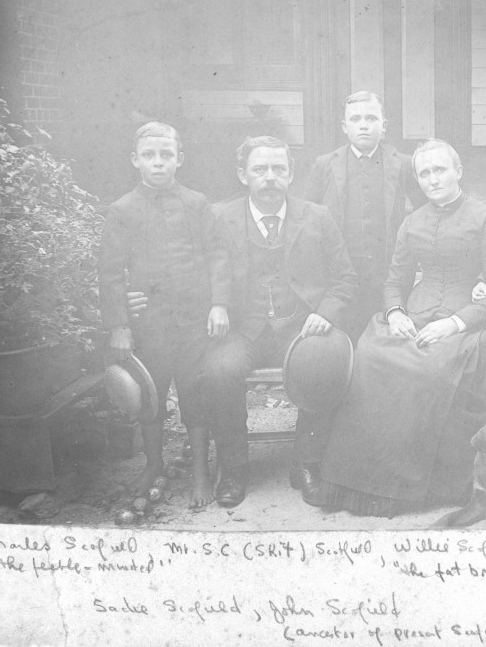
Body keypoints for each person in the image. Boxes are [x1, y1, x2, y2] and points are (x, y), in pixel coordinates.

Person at [311, 139, 486, 516]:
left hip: (467, 320)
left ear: (458, 172)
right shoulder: (413, 221)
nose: (433, 179)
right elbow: (395, 280)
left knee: (432, 368)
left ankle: (411, 485)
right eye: (424, 172)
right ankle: (362, 481)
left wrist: (453, 324)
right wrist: (395, 312)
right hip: (417, 315)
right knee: (370, 357)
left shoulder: (485, 217)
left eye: (440, 170)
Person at [201, 135, 357, 507]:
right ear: (243, 175)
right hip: (243, 327)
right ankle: (234, 468)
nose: (270, 177)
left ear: (291, 174)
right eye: (260, 169)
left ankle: (306, 463)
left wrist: (324, 313)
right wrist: (216, 304)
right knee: (220, 369)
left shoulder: (317, 216)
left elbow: (345, 278)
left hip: (299, 327)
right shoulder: (220, 216)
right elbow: (204, 270)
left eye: (278, 169)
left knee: (324, 362)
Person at [98, 121, 230, 509]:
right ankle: (153, 465)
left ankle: (202, 475)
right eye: (150, 156)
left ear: (179, 159)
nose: (159, 163)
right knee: (150, 397)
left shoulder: (196, 203)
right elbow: (109, 270)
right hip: (149, 324)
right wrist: (120, 321)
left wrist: (219, 302)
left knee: (195, 393)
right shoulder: (122, 210)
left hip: (194, 322)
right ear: (135, 160)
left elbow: (217, 256)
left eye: (166, 155)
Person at [303, 91, 425, 341]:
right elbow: (308, 217)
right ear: (344, 127)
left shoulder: (402, 164)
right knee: (341, 337)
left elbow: (424, 213)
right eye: (356, 119)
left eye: (371, 118)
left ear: (384, 126)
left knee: (383, 339)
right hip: (339, 274)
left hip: (387, 272)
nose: (364, 125)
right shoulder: (325, 164)